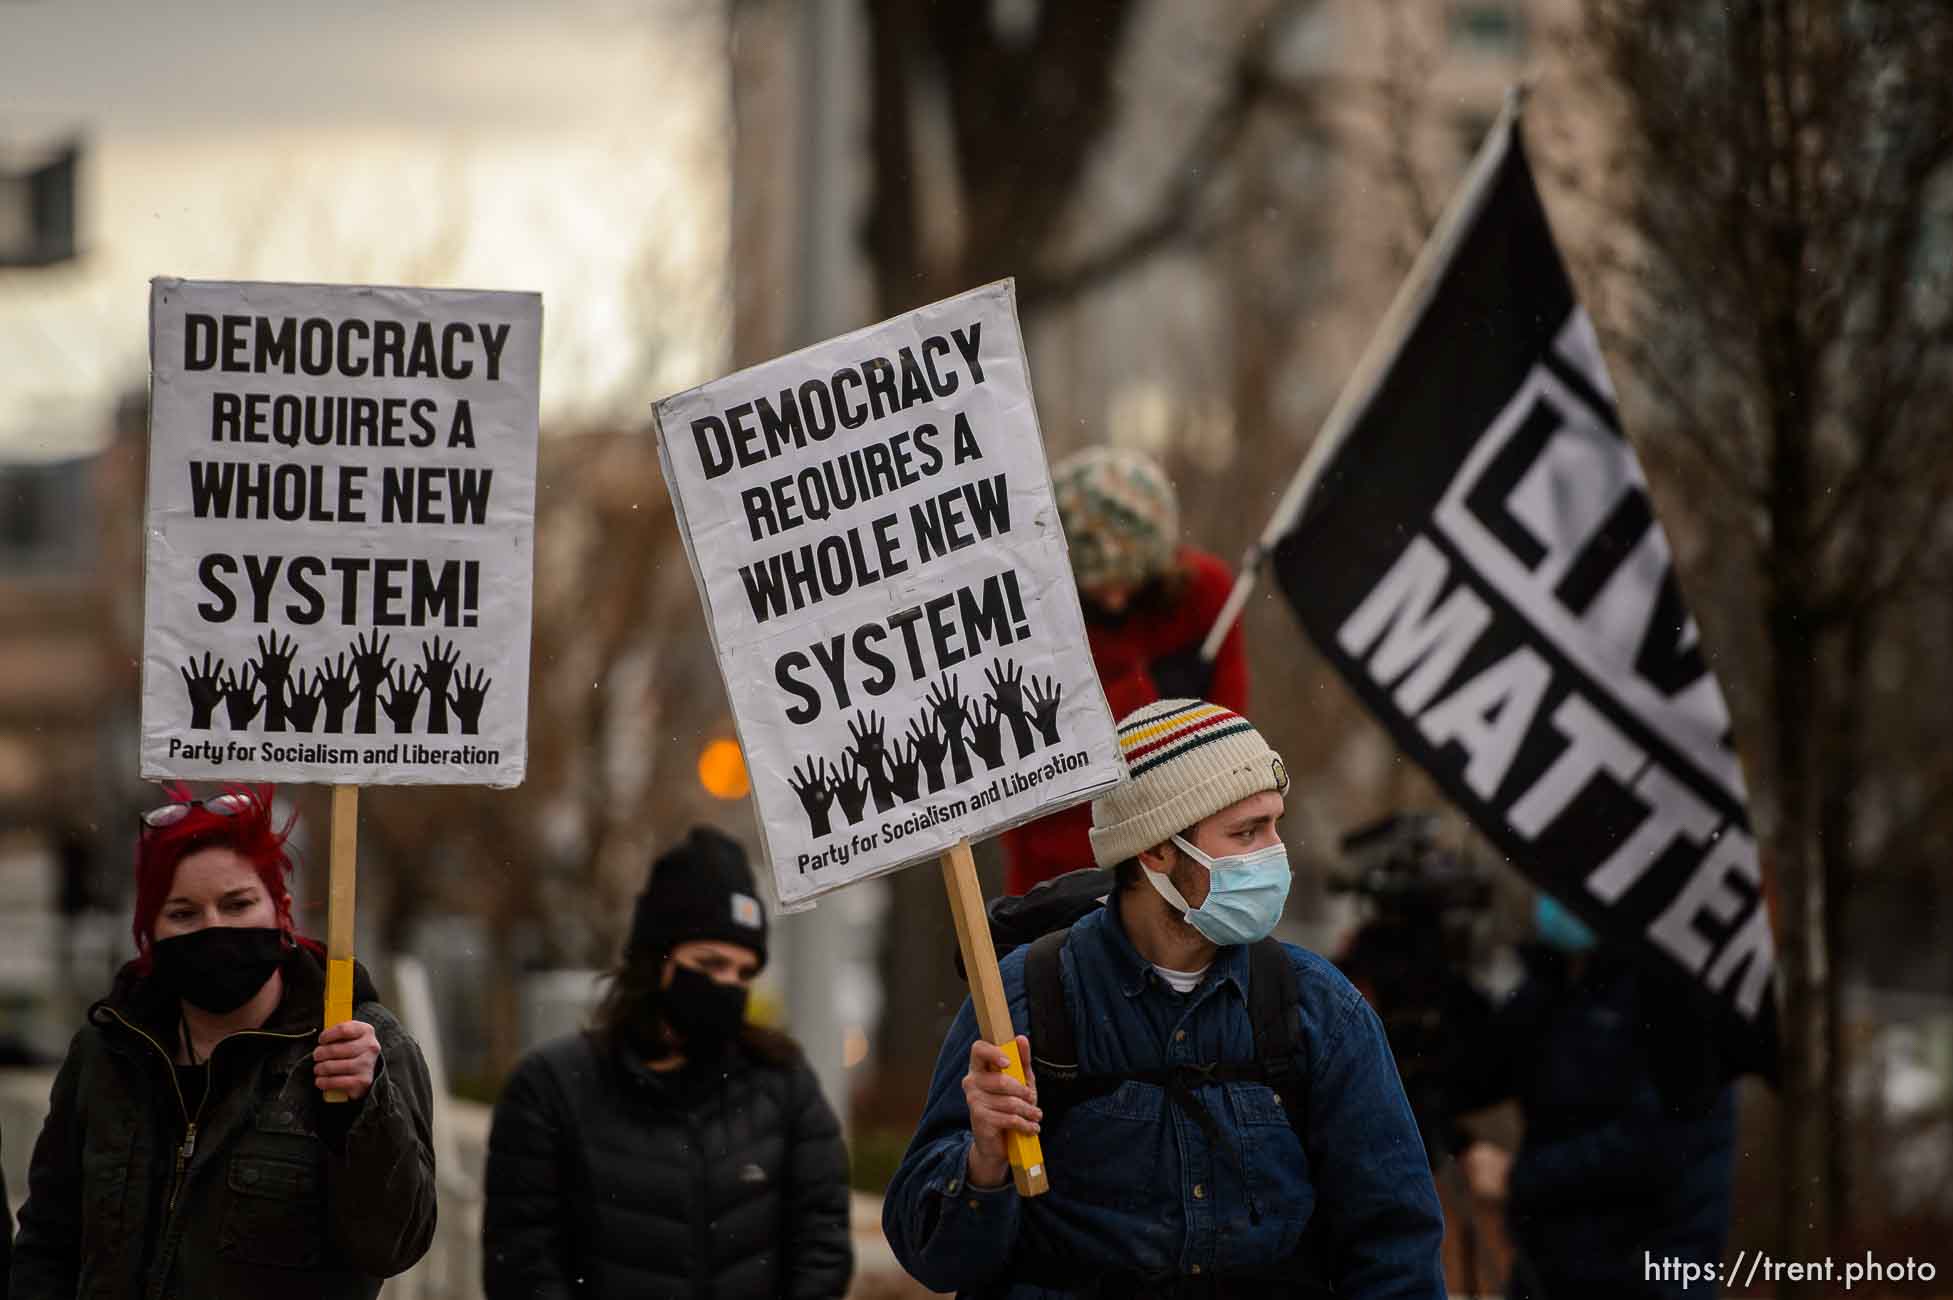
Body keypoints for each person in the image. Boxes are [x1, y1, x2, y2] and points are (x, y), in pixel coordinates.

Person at [885, 699, 1446, 1298]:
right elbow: (934, 1257)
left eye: (1274, 825)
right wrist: (983, 1163)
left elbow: (1395, 1246)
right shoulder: (1022, 1000)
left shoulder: (1319, 1007)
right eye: (1246, 833)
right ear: (1156, 850)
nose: (1274, 855)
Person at [9, 786, 437, 1299]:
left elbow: (394, 1245)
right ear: (149, 932)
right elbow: (48, 1240)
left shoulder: (362, 1048)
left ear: (280, 911)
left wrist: (364, 1114)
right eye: (185, 914)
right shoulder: (107, 1051)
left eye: (237, 904)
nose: (215, 928)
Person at [482, 825, 853, 1299]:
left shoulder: (784, 1087)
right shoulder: (550, 1089)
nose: (729, 986)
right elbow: (522, 1266)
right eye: (710, 964)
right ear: (657, 962)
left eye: (744, 973)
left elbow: (821, 1250)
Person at [1452, 895, 1737, 1300]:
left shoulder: (1675, 988)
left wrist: (1518, 1177)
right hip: (1550, 1267)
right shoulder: (1553, 981)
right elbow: (1478, 1074)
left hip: (1650, 1274)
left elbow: (1656, 1142)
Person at [1003, 447, 1250, 895]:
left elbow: (1231, 736)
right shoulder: (1031, 617)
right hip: (1062, 861)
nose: (1115, 599)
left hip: (1182, 850)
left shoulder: (1205, 597)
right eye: (1096, 583)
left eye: (1127, 578)